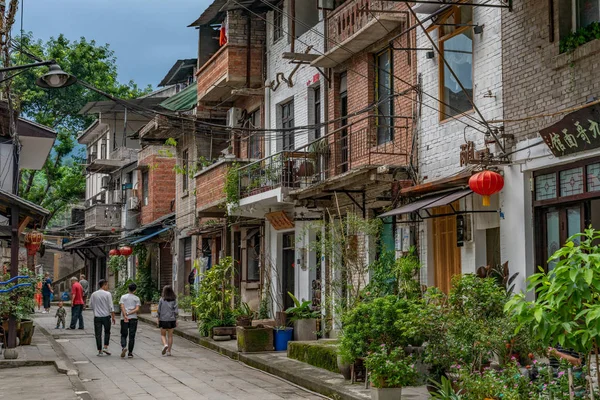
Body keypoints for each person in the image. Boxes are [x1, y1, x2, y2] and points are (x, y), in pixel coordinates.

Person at [89, 279, 115, 356]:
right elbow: (111, 306)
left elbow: (90, 305)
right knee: (107, 332)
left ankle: (99, 350)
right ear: (104, 285)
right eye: (107, 285)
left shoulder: (94, 294)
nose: (108, 287)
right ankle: (105, 347)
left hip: (97, 317)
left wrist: (96, 310)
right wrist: (113, 317)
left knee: (98, 334)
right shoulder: (107, 294)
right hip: (106, 316)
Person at [119, 282, 141, 358]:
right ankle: (130, 353)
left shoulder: (123, 297)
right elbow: (137, 309)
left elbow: (122, 306)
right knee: (132, 336)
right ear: (135, 290)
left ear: (128, 289)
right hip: (133, 318)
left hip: (124, 318)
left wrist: (125, 315)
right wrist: (129, 313)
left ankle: (124, 347)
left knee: (123, 334)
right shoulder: (136, 298)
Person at [157, 285, 178, 356]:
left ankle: (165, 344)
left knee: (163, 335)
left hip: (163, 319)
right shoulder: (174, 300)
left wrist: (158, 318)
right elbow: (176, 311)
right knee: (170, 336)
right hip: (172, 319)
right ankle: (169, 351)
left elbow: (158, 310)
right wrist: (176, 319)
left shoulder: (161, 299)